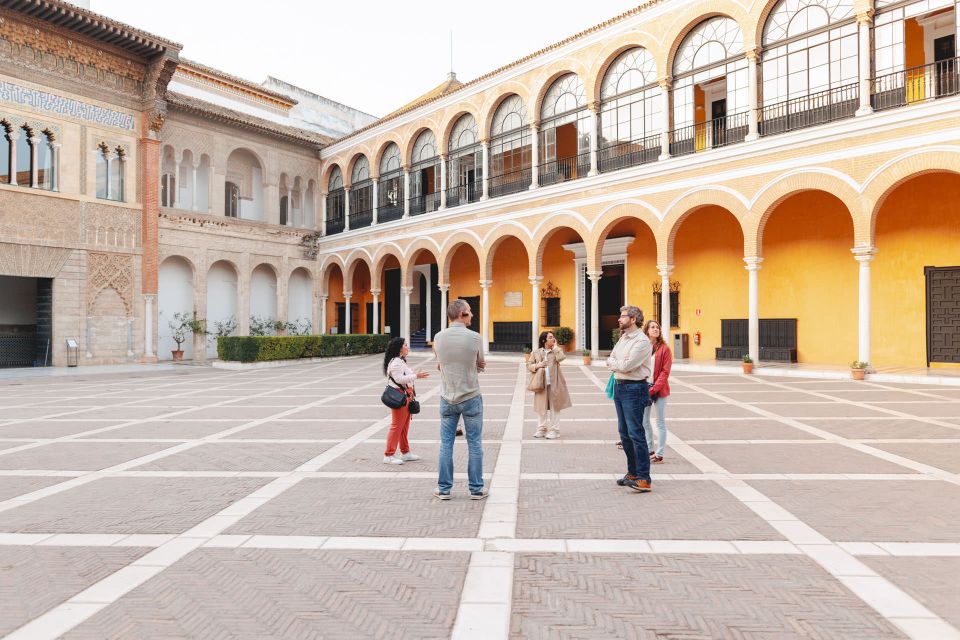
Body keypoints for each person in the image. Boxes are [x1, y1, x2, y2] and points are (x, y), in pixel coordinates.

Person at [432, 298, 486, 500]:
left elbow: (440, 364)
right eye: (470, 311)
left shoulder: (438, 337)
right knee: (475, 444)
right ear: (462, 314)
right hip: (471, 395)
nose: (472, 314)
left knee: (446, 444)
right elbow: (481, 364)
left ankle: (444, 489)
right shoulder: (475, 337)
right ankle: (476, 489)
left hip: (447, 396)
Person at [606, 305, 653, 493]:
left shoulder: (642, 341)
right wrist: (617, 363)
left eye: (623, 316)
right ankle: (632, 473)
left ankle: (644, 478)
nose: (619, 319)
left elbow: (626, 365)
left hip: (634, 388)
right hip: (620, 387)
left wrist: (616, 364)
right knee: (624, 433)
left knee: (636, 433)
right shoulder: (623, 338)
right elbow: (612, 359)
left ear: (633, 319)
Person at [383, 336, 429, 465]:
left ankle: (405, 452)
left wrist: (413, 376)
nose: (407, 347)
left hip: (406, 395)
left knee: (404, 427)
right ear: (399, 348)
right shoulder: (396, 362)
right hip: (399, 396)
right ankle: (388, 455)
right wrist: (416, 376)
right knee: (397, 426)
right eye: (405, 345)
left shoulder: (401, 361)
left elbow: (405, 377)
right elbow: (398, 379)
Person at [528, 330, 572, 439]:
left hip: (555, 384)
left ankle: (555, 430)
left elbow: (562, 358)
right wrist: (538, 365)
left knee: (555, 408)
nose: (553, 339)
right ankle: (541, 429)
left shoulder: (556, 352)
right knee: (541, 408)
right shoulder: (536, 352)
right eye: (550, 337)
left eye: (553, 337)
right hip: (541, 385)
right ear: (544, 340)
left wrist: (556, 347)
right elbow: (529, 366)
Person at [642, 319, 671, 464]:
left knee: (660, 422)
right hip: (645, 387)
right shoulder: (643, 347)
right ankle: (649, 449)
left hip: (659, 390)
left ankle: (659, 454)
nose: (655, 329)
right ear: (647, 330)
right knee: (644, 421)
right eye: (652, 327)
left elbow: (665, 373)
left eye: (657, 327)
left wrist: (653, 389)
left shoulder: (665, 349)